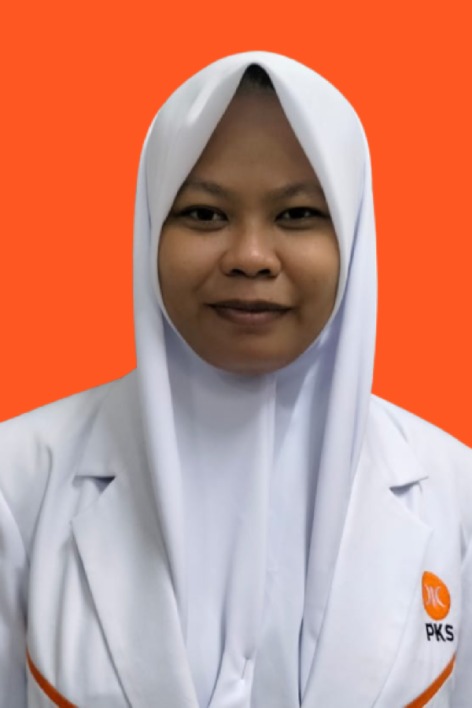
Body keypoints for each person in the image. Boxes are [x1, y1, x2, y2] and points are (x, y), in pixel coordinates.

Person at [0, 51, 471, 708]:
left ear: (354, 235)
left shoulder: (456, 494)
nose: (250, 257)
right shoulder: (18, 483)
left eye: (297, 214)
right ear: (150, 227)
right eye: (204, 214)